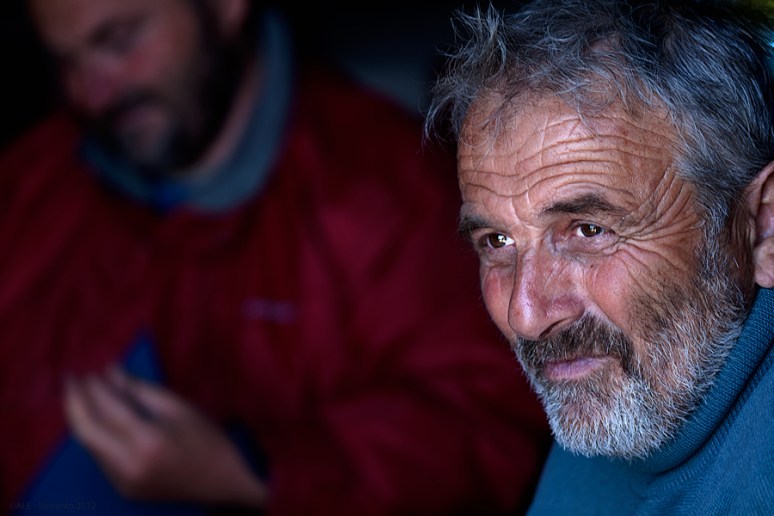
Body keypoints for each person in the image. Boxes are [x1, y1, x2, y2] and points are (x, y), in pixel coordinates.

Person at [0, 0, 553, 514]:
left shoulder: (391, 195)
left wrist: (253, 473)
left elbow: (490, 431)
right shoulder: (35, 180)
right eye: (66, 62)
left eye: (119, 40)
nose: (91, 93)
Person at [424, 0, 774, 513]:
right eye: (497, 243)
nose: (526, 315)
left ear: (763, 228)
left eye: (589, 231)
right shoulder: (630, 404)